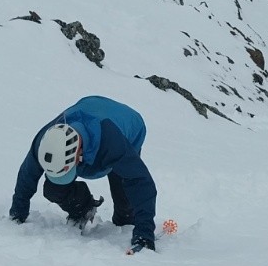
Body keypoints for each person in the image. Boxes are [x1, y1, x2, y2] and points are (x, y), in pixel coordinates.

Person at [9, 95, 157, 251]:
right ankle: (84, 208)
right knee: (54, 189)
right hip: (90, 106)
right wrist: (17, 213)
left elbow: (140, 182)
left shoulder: (112, 145)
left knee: (125, 210)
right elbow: (27, 174)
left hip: (128, 126)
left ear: (78, 155)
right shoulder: (45, 142)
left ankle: (126, 220)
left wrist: (144, 235)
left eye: (68, 169)